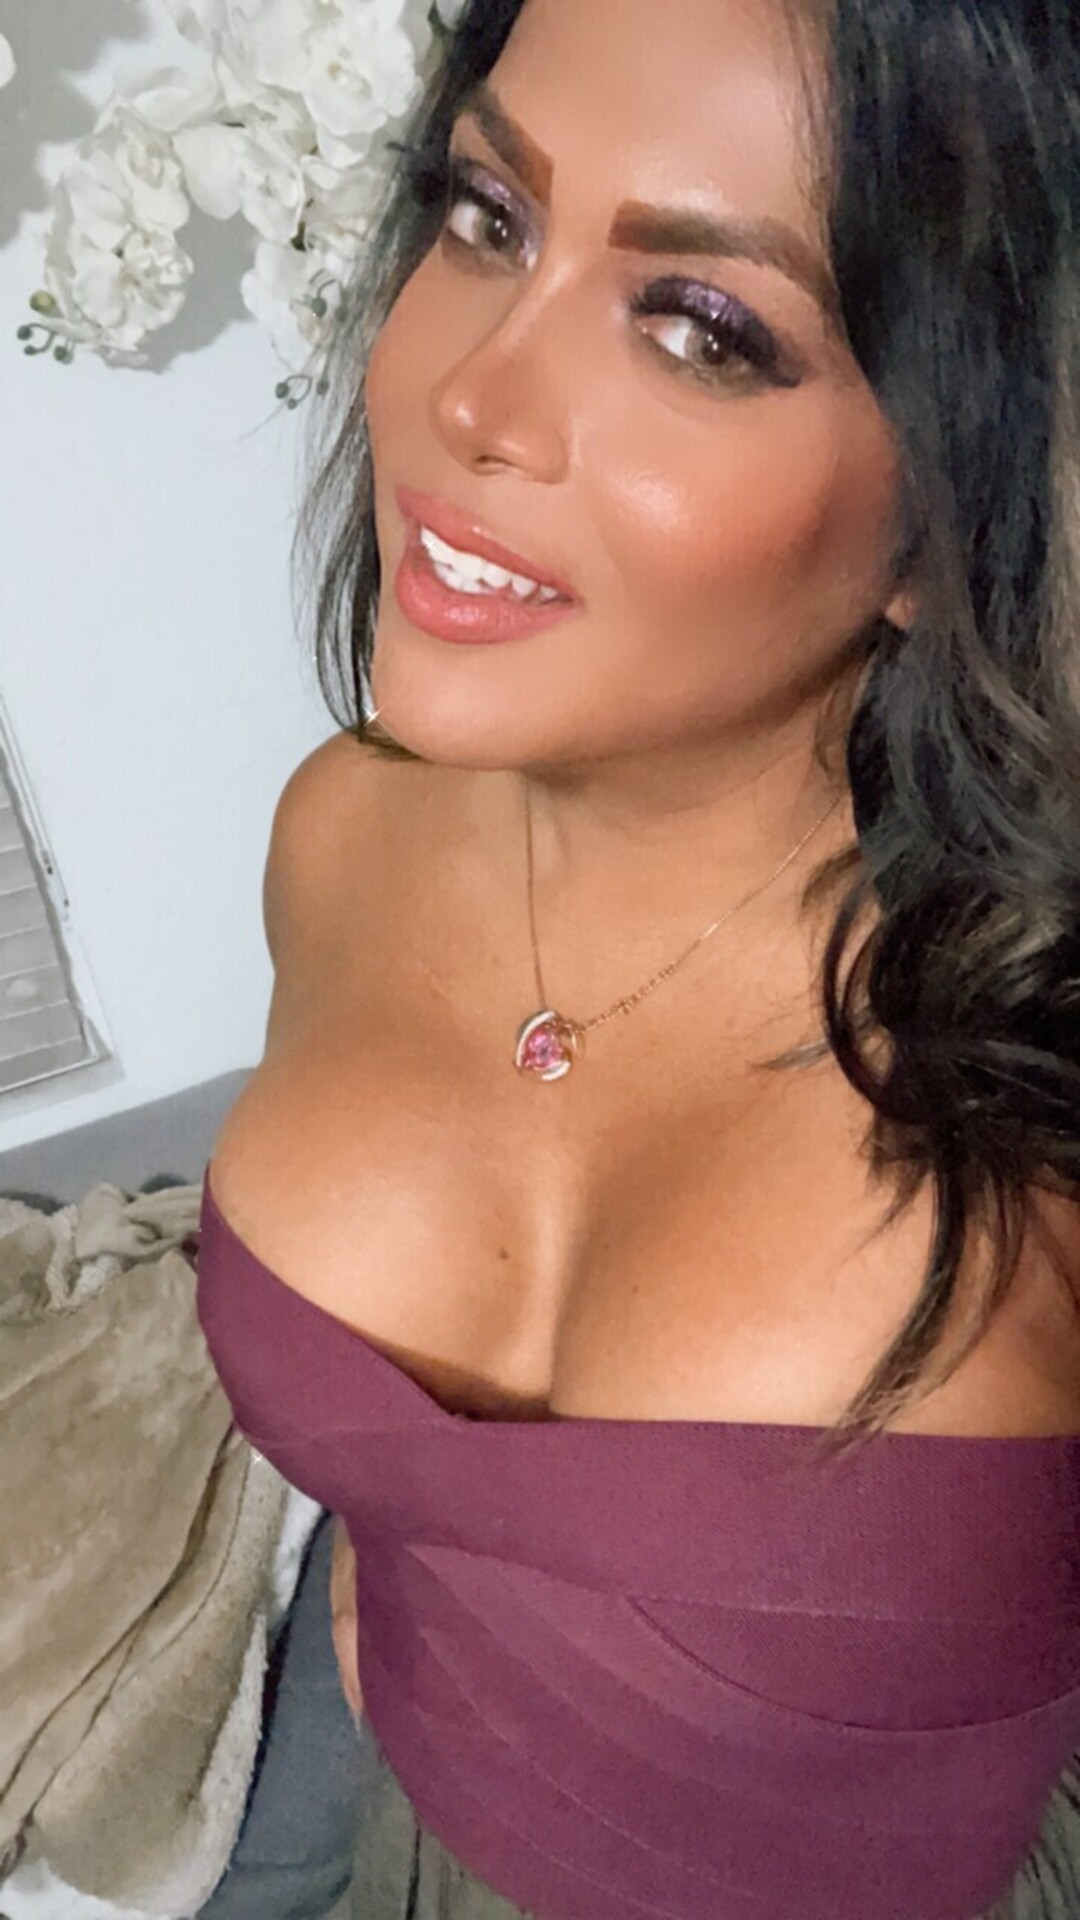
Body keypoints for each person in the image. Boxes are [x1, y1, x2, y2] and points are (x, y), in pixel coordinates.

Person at [193, 0, 1080, 1914]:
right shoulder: (338, 835)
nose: (472, 399)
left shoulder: (1047, 1065)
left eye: (702, 328)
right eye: (487, 216)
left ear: (959, 511)